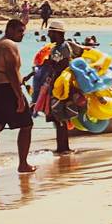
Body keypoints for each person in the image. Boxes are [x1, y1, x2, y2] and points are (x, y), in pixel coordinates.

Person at [0, 19, 33, 176]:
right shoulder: (9, 45)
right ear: (10, 29)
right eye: (19, 31)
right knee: (26, 125)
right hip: (5, 89)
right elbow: (11, 72)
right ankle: (23, 164)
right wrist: (19, 97)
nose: (22, 34)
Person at [36, 22, 74, 154]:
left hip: (61, 87)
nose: (48, 35)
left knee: (60, 117)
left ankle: (63, 148)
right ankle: (62, 147)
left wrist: (50, 64)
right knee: (58, 118)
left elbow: (64, 65)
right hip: (56, 86)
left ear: (58, 33)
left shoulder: (64, 47)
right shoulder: (56, 48)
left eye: (50, 32)